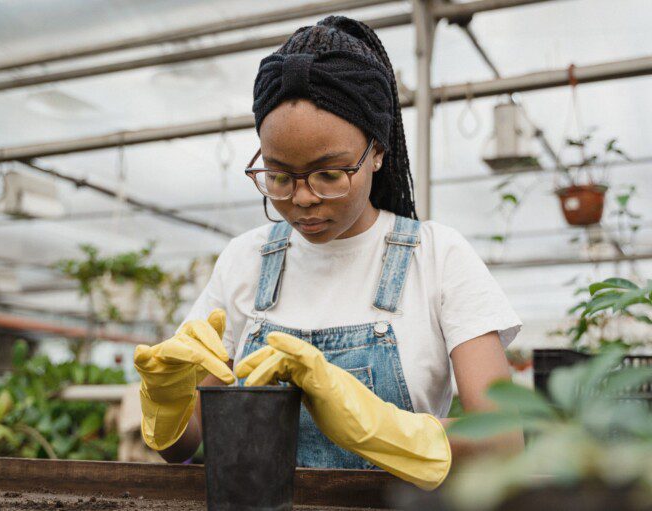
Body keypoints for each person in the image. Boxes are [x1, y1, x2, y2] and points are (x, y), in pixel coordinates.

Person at [134, 15, 523, 491]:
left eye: (329, 175)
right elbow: (184, 448)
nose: (301, 198)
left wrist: (373, 424)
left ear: (377, 151)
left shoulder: (437, 257)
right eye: (279, 176)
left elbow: (503, 440)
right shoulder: (245, 261)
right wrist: (168, 401)